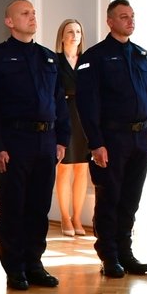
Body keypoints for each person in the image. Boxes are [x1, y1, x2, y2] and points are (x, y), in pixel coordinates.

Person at [0, 0, 70, 291]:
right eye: (25, 14)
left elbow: (59, 102)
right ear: (9, 21)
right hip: (14, 143)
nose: (32, 18)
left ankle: (34, 263)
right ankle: (14, 267)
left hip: (45, 142)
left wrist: (62, 139)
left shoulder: (49, 58)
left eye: (33, 13)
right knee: (12, 208)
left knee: (38, 207)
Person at [75, 0, 147, 278]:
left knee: (130, 200)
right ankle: (109, 255)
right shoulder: (95, 56)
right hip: (111, 139)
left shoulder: (141, 56)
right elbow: (87, 104)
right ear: (110, 22)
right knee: (109, 198)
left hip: (140, 138)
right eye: (124, 17)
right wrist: (96, 142)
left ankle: (126, 251)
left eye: (132, 16)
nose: (130, 21)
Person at [54, 19, 90, 237]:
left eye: (78, 31)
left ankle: (77, 217)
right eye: (70, 31)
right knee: (65, 167)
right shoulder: (55, 61)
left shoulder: (87, 61)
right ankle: (65, 217)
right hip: (64, 114)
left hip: (84, 115)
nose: (74, 35)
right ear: (62, 36)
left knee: (82, 168)